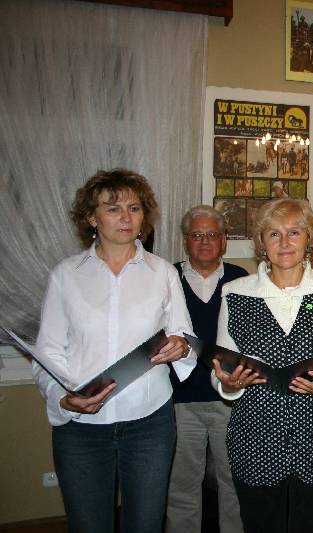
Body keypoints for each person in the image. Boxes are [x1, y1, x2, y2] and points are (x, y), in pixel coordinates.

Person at [32, 169, 195, 533]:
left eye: (134, 208)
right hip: (82, 429)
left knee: (146, 525)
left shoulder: (163, 273)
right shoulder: (66, 275)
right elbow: (48, 354)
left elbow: (185, 340)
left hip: (149, 423)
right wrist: (63, 398)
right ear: (92, 218)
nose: (126, 218)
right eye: (113, 209)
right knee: (89, 525)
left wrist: (181, 348)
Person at [211, 198, 313, 532]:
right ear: (262, 242)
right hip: (255, 439)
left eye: (294, 232)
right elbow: (220, 369)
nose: (285, 242)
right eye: (274, 234)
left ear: (309, 239)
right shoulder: (235, 293)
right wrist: (228, 384)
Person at [165, 205, 249, 533]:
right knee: (182, 485)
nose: (204, 241)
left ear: (224, 241)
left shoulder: (241, 279)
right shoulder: (167, 278)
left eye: (212, 234)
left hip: (230, 399)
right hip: (180, 400)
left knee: (233, 482)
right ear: (185, 240)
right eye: (196, 234)